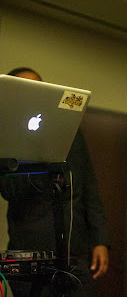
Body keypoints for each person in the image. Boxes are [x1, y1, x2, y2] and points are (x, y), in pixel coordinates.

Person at [0, 67, 109, 296]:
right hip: (30, 254)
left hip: (74, 253)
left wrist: (100, 240)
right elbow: (9, 189)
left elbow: (88, 184)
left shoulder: (68, 131)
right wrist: (40, 155)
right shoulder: (6, 135)